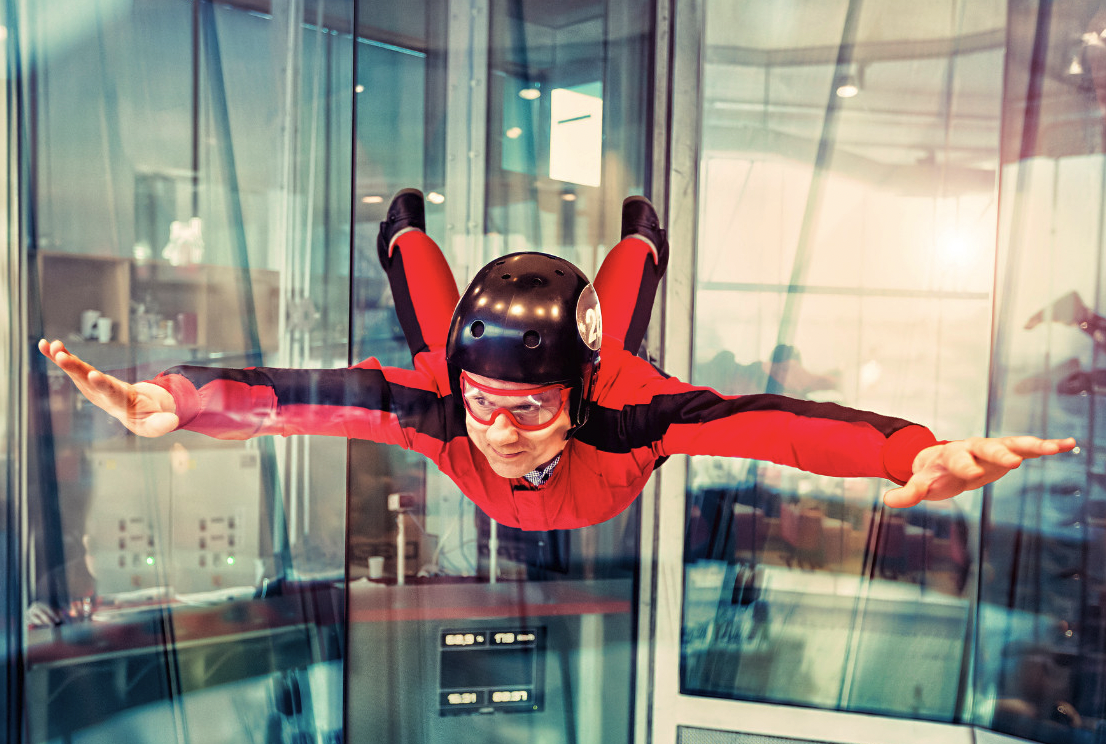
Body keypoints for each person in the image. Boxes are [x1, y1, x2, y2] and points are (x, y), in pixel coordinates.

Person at [39, 190, 1076, 531]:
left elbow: (775, 424)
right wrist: (178, 400)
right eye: (487, 402)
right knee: (423, 341)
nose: (498, 427)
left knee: (617, 322)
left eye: (529, 408)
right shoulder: (451, 409)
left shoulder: (628, 405)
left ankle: (643, 240)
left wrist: (909, 454)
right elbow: (306, 398)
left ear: (573, 399)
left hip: (601, 474)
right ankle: (400, 232)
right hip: (485, 424)